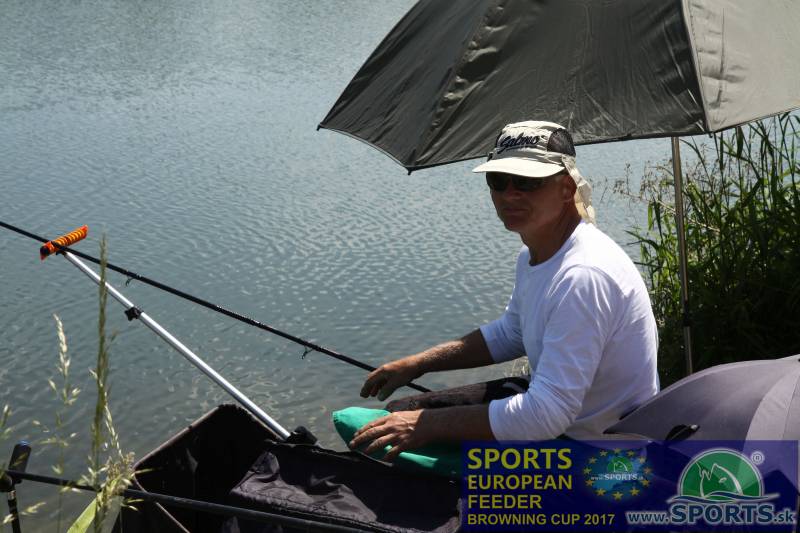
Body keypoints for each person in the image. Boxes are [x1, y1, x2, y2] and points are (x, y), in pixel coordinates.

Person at [350, 121, 659, 460]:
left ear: (566, 188)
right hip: (564, 422)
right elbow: (512, 333)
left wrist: (426, 425)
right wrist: (417, 364)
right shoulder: (535, 254)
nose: (509, 194)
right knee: (400, 412)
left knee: (399, 437)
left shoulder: (582, 276)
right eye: (498, 180)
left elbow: (546, 415)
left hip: (598, 454)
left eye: (527, 182)